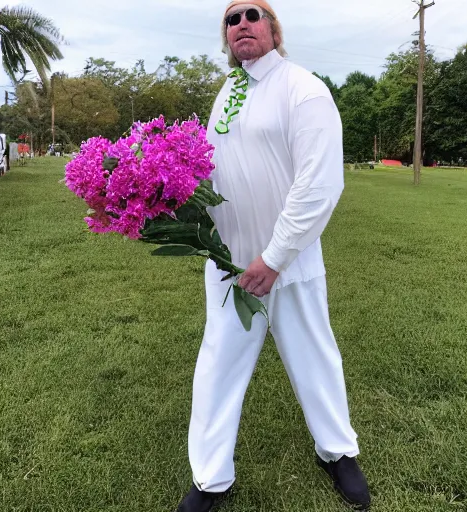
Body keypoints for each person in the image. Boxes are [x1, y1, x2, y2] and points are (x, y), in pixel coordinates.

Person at [176, 1, 371, 510]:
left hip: (291, 264)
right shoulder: (228, 92)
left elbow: (320, 185)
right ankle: (210, 477)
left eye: (252, 14)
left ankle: (337, 453)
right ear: (226, 36)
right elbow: (214, 169)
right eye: (231, 18)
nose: (242, 23)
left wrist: (276, 256)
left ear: (273, 29)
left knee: (315, 358)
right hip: (229, 264)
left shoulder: (302, 89)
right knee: (218, 367)